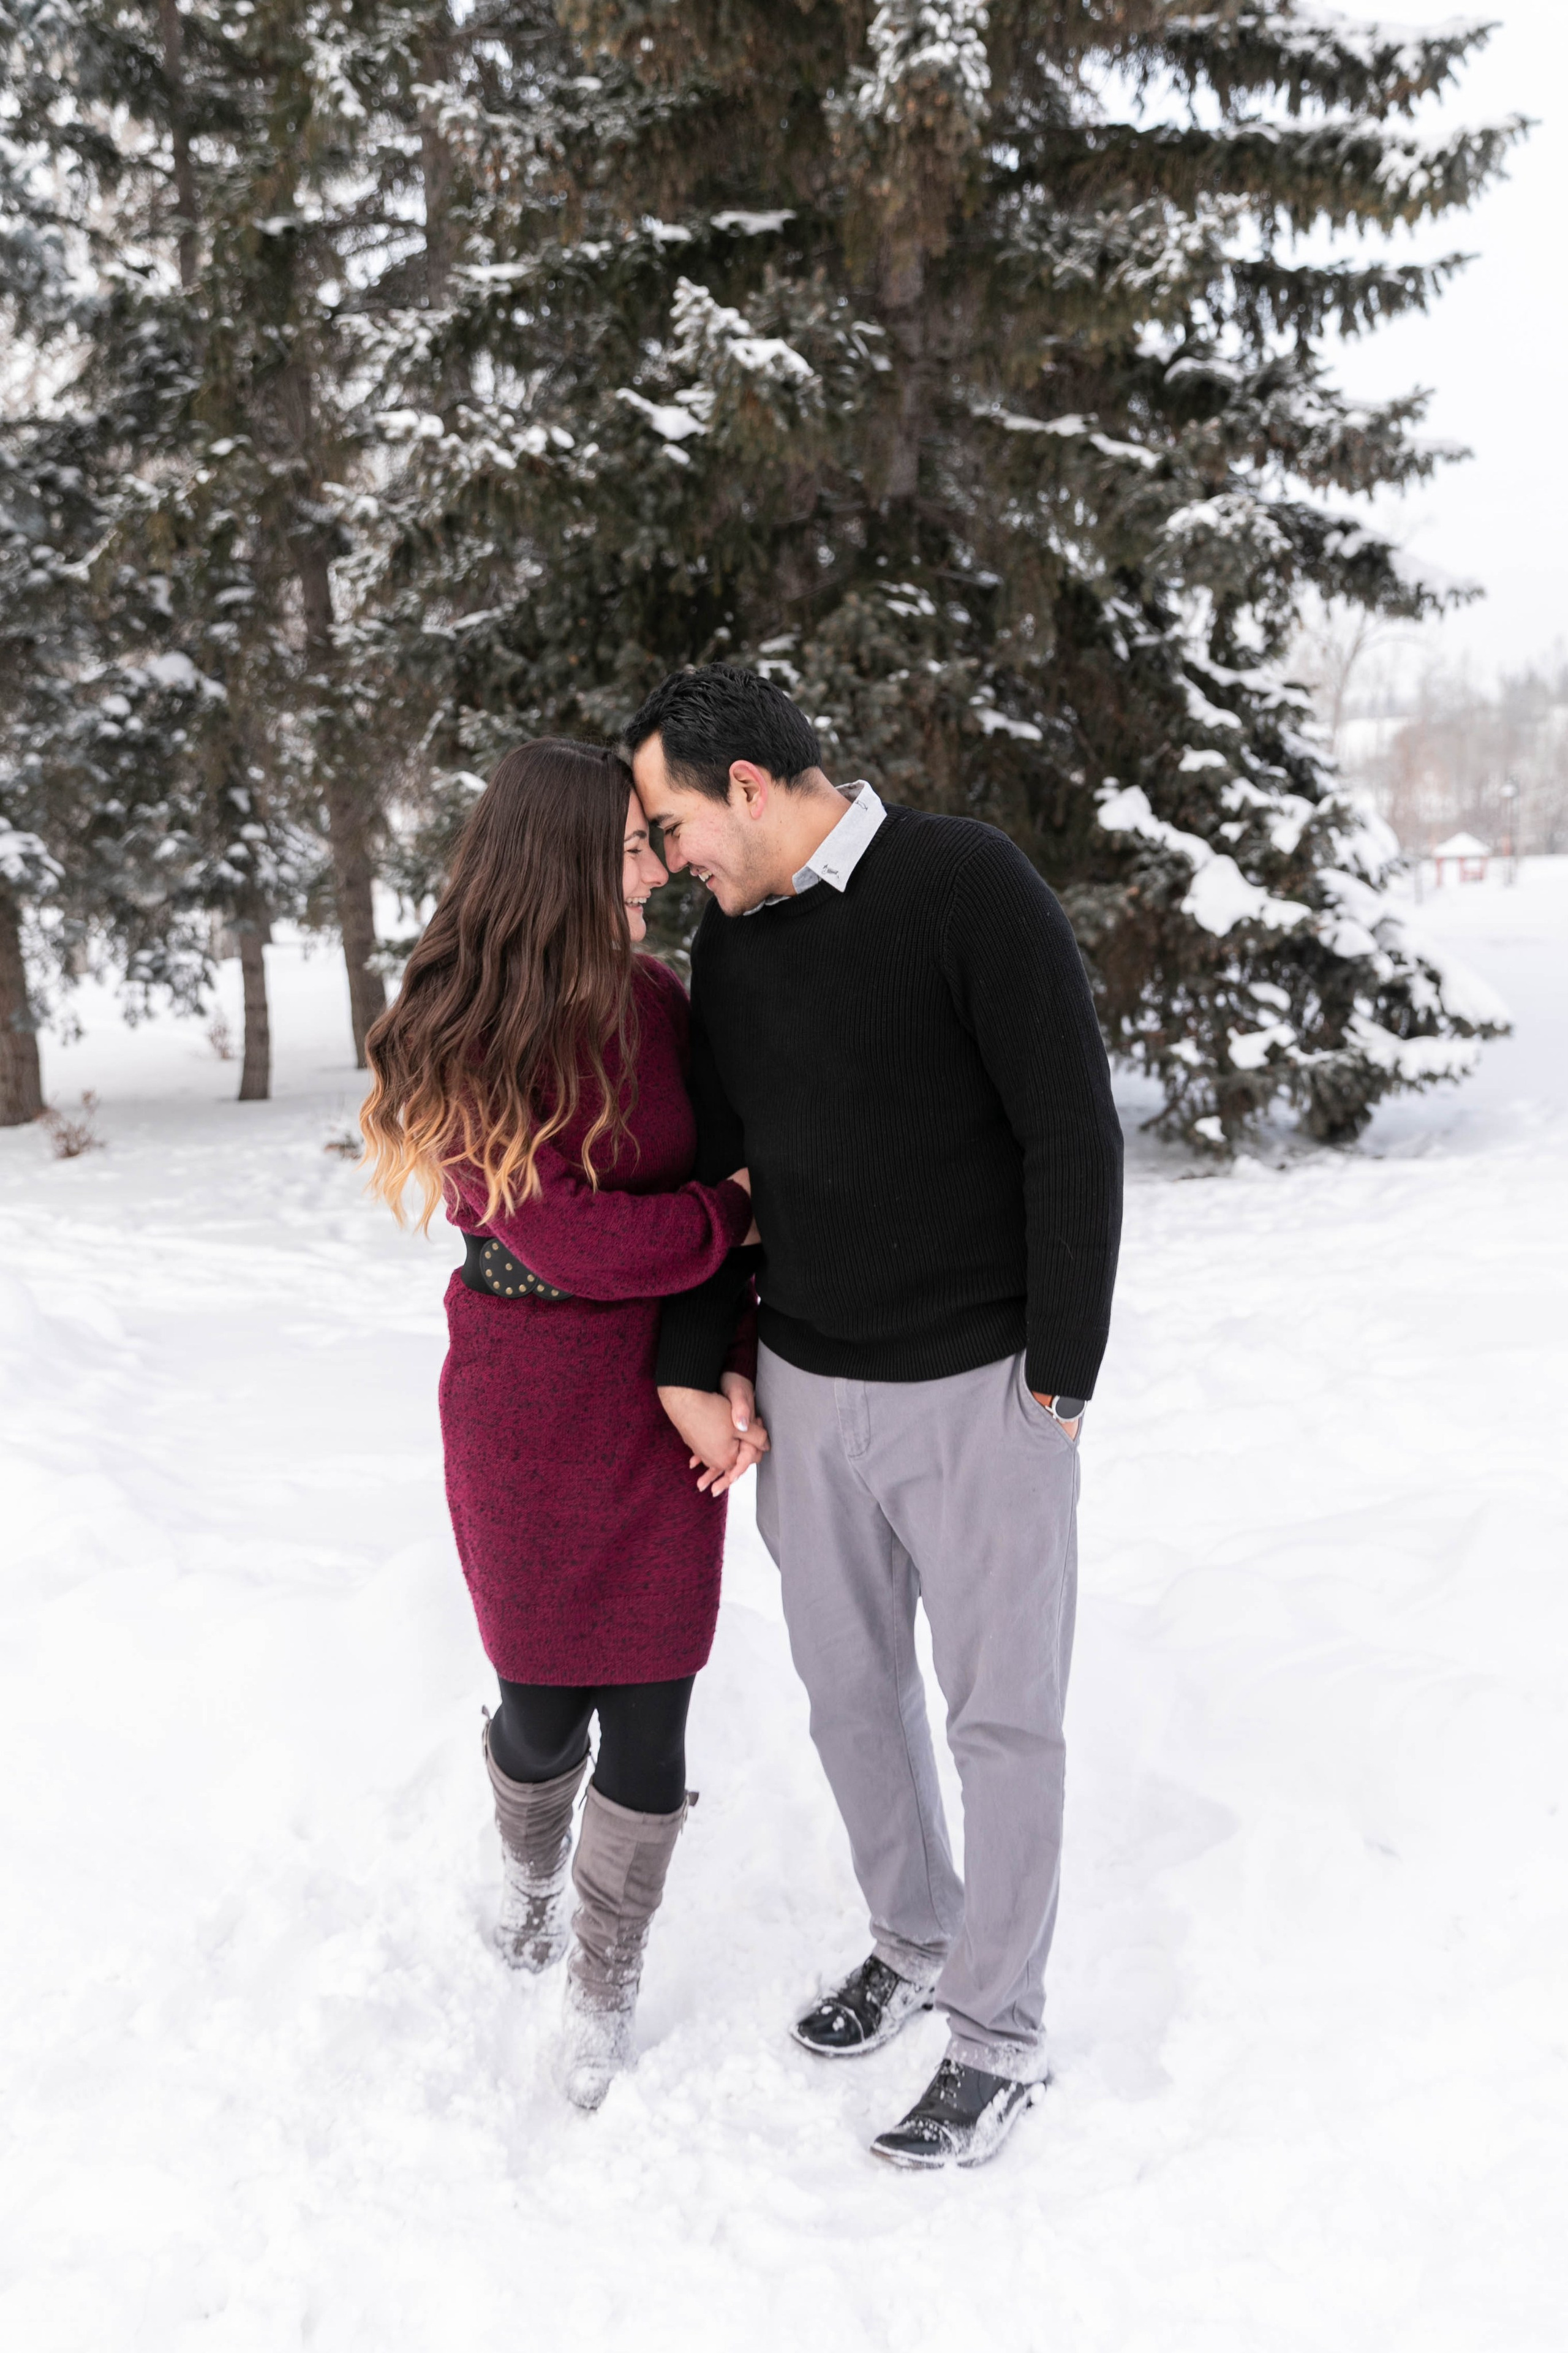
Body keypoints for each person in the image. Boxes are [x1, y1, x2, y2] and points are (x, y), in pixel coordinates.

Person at [635, 667, 1123, 2170]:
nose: (663, 865)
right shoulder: (735, 944)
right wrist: (714, 1352)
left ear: (750, 788)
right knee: (850, 1699)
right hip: (808, 1386)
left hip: (982, 1390)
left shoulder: (963, 884)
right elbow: (726, 1168)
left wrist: (1061, 1369)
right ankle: (912, 1938)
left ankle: (995, 2033)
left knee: (999, 1721)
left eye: (668, 826)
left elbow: (1069, 1126)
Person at [360, 738, 765, 2110]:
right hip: (522, 1406)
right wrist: (725, 1220)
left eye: (659, 844)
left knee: (652, 1719)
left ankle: (604, 1969)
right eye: (635, 846)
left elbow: (718, 1169)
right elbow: (570, 1233)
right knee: (541, 1714)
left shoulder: (668, 1002)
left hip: (658, 1402)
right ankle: (529, 1872)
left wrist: (731, 1362)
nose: (657, 867)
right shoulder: (470, 1028)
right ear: (566, 857)